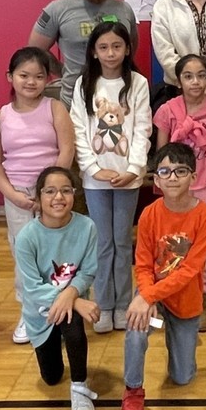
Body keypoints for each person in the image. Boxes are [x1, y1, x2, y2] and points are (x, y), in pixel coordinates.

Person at [118, 142, 206, 410]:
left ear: (193, 177)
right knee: (136, 329)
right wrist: (147, 299)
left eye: (180, 171)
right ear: (157, 179)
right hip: (154, 297)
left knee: (183, 377)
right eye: (165, 171)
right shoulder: (150, 213)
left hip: (185, 300)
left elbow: (189, 270)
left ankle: (175, 333)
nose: (172, 177)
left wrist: (146, 296)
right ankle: (133, 392)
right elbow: (144, 262)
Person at [70, 21, 152, 334]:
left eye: (117, 46)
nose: (110, 53)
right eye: (103, 47)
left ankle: (122, 305)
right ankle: (103, 305)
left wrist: (133, 169)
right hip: (95, 181)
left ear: (128, 48)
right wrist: (92, 169)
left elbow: (143, 128)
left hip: (127, 178)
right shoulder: (84, 85)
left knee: (122, 242)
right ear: (93, 51)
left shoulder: (138, 84)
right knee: (103, 244)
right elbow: (79, 131)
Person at [0, 46, 75, 344]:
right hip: (18, 195)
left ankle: (59, 311)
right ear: (10, 77)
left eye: (39, 76)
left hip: (53, 194)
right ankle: (30, 313)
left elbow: (66, 150)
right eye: (24, 75)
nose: (31, 82)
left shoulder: (55, 108)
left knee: (57, 254)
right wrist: (13, 195)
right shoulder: (1, 116)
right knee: (23, 254)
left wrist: (50, 192)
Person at [15, 166, 101, 410]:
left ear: (74, 195)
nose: (58, 197)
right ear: (39, 197)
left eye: (65, 190)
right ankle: (54, 355)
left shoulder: (86, 226)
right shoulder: (27, 237)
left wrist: (72, 296)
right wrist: (74, 298)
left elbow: (88, 270)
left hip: (71, 305)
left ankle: (79, 388)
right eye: (50, 191)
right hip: (39, 311)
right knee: (51, 377)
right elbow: (32, 288)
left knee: (74, 329)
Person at [153, 54, 206, 332]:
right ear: (179, 80)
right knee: (173, 247)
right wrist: (165, 186)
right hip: (175, 190)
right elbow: (162, 153)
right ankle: (172, 299)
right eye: (188, 76)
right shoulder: (167, 110)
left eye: (201, 75)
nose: (195, 82)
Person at [29, 0, 138, 108]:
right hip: (73, 102)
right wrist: (62, 70)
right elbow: (34, 50)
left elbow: (131, 47)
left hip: (117, 101)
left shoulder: (125, 9)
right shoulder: (58, 9)